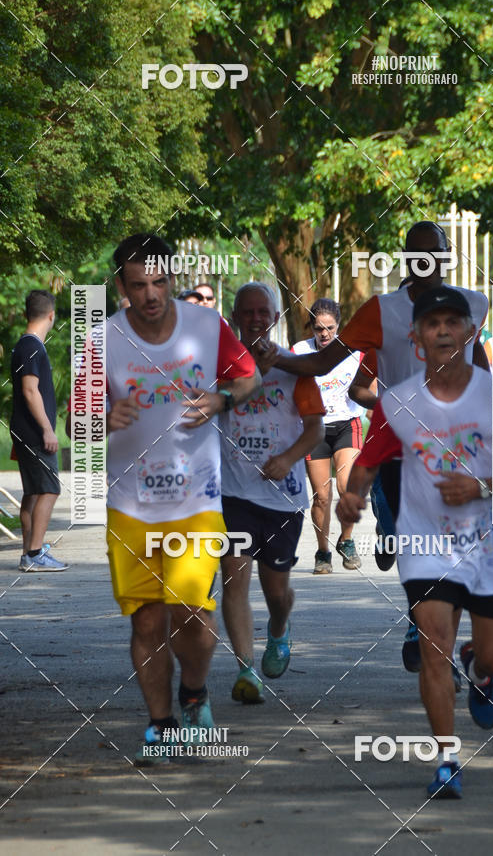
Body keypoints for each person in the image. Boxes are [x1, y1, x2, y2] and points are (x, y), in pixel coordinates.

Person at [259, 222, 489, 674]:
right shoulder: (381, 311)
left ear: (447, 257)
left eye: (434, 252)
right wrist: (276, 357)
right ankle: (424, 629)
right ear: (406, 258)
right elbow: (325, 360)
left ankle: (435, 637)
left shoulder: (474, 304)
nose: (426, 261)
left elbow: (476, 360)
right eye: (416, 253)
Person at [337, 287, 493, 799]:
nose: (442, 330)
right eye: (431, 323)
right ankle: (446, 759)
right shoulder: (399, 402)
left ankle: (482, 672)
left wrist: (482, 487)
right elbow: (369, 462)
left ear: (468, 332)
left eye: (452, 322)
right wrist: (352, 498)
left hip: (486, 544)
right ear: (415, 338)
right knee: (432, 647)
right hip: (425, 544)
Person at [105, 234, 259, 763]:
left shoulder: (207, 327)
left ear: (172, 277)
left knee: (194, 614)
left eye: (159, 282)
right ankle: (161, 724)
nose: (150, 294)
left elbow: (250, 380)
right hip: (130, 504)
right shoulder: (103, 340)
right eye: (138, 284)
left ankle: (193, 690)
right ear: (121, 286)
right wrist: (102, 418)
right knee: (147, 620)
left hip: (196, 499)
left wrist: (220, 398)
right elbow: (76, 419)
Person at [219, 283, 325, 704]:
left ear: (276, 317)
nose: (257, 318)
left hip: (284, 497)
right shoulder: (222, 365)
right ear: (234, 317)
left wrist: (289, 457)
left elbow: (316, 428)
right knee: (233, 580)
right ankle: (245, 670)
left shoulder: (294, 367)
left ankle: (279, 631)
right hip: (233, 493)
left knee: (276, 592)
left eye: (264, 311)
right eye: (248, 312)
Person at [292, 298, 367, 574]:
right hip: (315, 428)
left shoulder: (354, 352)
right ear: (311, 327)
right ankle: (323, 552)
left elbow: (369, 386)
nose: (324, 334)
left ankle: (346, 541)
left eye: (330, 328)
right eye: (318, 328)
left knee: (347, 487)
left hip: (347, 425)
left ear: (339, 326)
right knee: (321, 496)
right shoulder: (300, 351)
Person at [10, 290, 67, 572]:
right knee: (49, 489)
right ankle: (35, 553)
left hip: (24, 430)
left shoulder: (24, 344)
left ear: (25, 313)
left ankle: (28, 553)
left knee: (33, 492)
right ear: (51, 315)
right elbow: (30, 391)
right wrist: (47, 429)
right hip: (34, 432)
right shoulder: (32, 346)